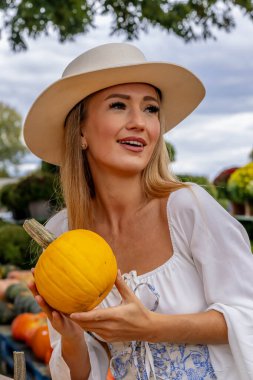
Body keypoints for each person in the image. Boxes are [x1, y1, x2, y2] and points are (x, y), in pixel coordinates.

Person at [23, 43, 253, 380]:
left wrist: (153, 327)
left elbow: (247, 316)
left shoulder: (189, 207)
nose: (140, 123)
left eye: (151, 109)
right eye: (119, 105)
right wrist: (72, 336)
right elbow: (83, 370)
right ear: (81, 131)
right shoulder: (62, 235)